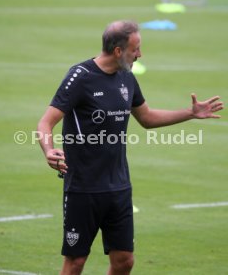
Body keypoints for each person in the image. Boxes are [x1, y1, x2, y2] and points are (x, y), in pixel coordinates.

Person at [37, 20, 223, 275]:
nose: (140, 54)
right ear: (117, 51)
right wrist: (48, 150)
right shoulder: (80, 77)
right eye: (135, 49)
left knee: (125, 261)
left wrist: (189, 113)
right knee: (76, 262)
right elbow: (46, 123)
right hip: (83, 187)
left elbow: (146, 117)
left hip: (119, 187)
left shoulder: (127, 78)